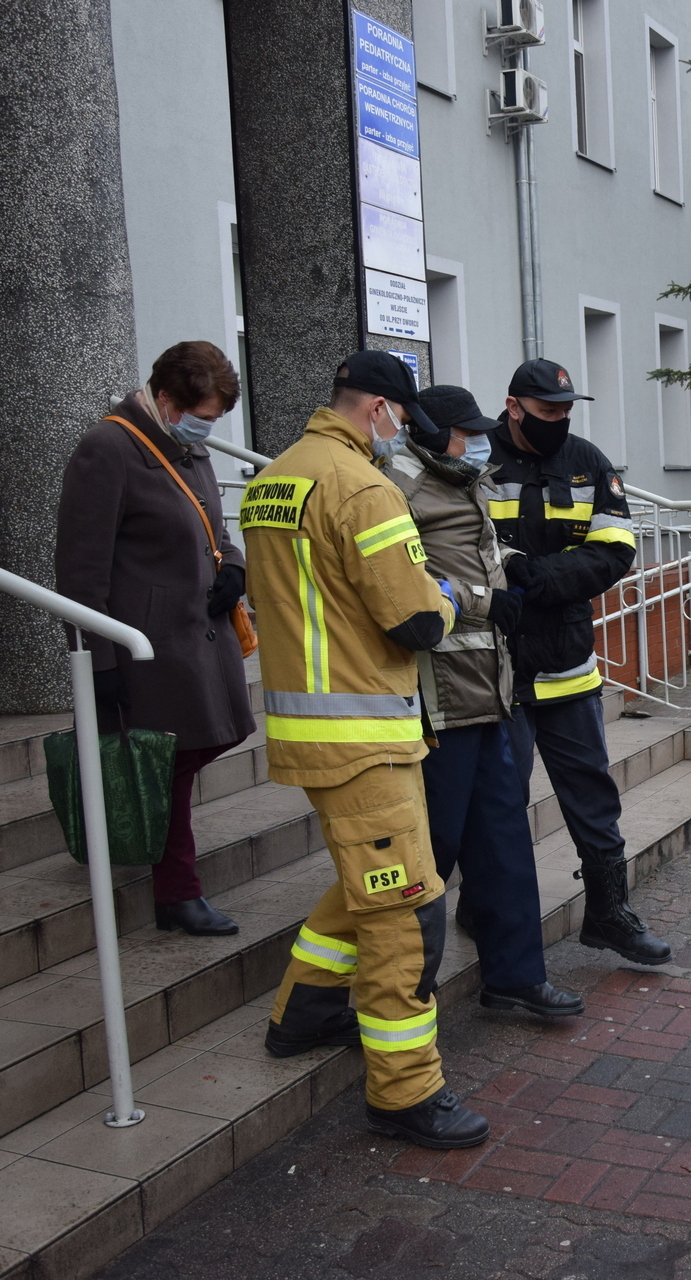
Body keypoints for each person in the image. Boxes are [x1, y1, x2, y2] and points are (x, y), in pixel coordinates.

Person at [242, 350, 487, 1150]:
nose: (400, 435)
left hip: (315, 727)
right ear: (379, 408)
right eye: (400, 419)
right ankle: (406, 1092)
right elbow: (413, 620)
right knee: (405, 905)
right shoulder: (363, 486)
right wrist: (447, 597)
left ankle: (303, 1017)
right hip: (363, 735)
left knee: (367, 880)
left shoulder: (274, 477)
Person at [382, 382, 585, 1019]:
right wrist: (480, 599)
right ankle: (402, 997)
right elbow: (403, 582)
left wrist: (515, 577)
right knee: (430, 857)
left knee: (504, 848)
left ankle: (516, 978)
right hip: (437, 701)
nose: (477, 442)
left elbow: (486, 556)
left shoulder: (467, 479)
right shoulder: (396, 488)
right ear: (427, 430)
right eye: (464, 433)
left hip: (493, 691)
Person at [56, 340, 256, 937]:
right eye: (201, 414)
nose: (208, 427)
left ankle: (162, 869)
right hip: (148, 646)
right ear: (164, 397)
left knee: (186, 757)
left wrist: (235, 566)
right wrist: (101, 661)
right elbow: (79, 571)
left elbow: (211, 526)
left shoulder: (183, 445)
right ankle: (176, 892)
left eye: (217, 418)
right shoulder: (108, 448)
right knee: (169, 762)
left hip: (197, 637)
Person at [487, 358, 672, 966]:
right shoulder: (476, 461)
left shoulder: (588, 461)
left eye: (566, 410)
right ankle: (489, 912)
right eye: (547, 411)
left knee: (593, 797)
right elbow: (458, 545)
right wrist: (511, 574)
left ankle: (609, 913)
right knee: (500, 804)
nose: (559, 421)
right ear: (514, 407)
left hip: (568, 661)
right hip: (498, 669)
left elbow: (616, 548)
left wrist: (538, 578)